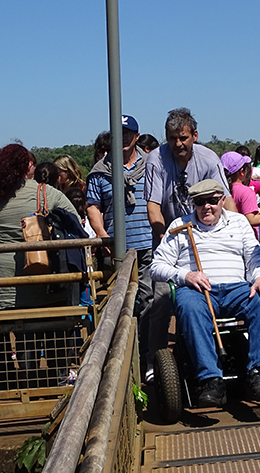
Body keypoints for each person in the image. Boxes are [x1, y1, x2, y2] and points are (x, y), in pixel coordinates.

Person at [150, 179, 260, 406]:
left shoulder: (238, 222)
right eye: (200, 202)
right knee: (189, 307)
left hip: (237, 288)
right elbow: (156, 267)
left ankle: (258, 371)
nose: (206, 207)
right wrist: (186, 276)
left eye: (212, 201)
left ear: (221, 200)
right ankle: (210, 379)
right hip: (196, 291)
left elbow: (255, 256)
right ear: (194, 204)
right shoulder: (179, 226)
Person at [143, 107, 236, 383]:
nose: (178, 144)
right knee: (159, 302)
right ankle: (153, 360)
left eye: (183, 138)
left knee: (222, 291)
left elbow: (225, 199)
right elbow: (153, 209)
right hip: (170, 239)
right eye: (172, 138)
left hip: (208, 238)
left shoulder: (208, 159)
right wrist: (165, 242)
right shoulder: (155, 160)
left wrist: (237, 231)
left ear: (194, 135)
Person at [86, 115, 154, 369]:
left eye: (129, 133)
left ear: (137, 137)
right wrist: (103, 234)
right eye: (119, 133)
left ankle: (146, 357)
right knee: (120, 303)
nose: (124, 138)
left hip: (148, 244)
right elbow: (92, 206)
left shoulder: (152, 165)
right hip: (116, 249)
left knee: (148, 301)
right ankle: (122, 359)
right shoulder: (100, 171)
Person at [0, 144, 80, 310]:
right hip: (47, 288)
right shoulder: (47, 193)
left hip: (3, 291)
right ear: (28, 166)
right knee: (54, 336)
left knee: (6, 335)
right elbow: (76, 227)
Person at [221, 151, 260, 231]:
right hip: (245, 236)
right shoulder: (246, 192)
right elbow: (251, 219)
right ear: (242, 172)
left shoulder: (221, 190)